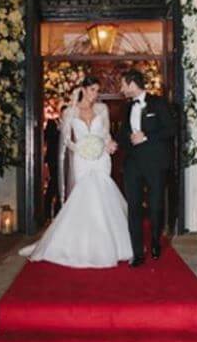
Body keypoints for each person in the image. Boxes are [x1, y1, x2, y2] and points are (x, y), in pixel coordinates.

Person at [20, 76, 133, 268]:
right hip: (82, 159)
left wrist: (109, 144)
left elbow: (106, 133)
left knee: (103, 197)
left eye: (97, 91)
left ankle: (111, 245)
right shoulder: (70, 112)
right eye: (92, 90)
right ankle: (79, 245)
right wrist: (80, 148)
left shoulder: (101, 109)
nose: (95, 95)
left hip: (100, 159)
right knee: (85, 198)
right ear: (83, 89)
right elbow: (66, 141)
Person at [119, 69, 176, 267]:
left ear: (133, 84)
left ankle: (154, 241)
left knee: (155, 206)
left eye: (123, 85)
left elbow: (171, 129)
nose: (121, 89)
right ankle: (137, 252)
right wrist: (128, 138)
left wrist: (146, 136)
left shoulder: (158, 103)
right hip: (133, 163)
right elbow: (122, 133)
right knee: (133, 207)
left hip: (155, 162)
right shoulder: (126, 108)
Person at [43, 105, 67, 221]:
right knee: (54, 183)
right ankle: (46, 211)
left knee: (60, 185)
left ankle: (59, 211)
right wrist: (58, 131)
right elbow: (46, 137)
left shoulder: (68, 125)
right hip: (53, 159)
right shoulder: (52, 122)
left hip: (64, 159)